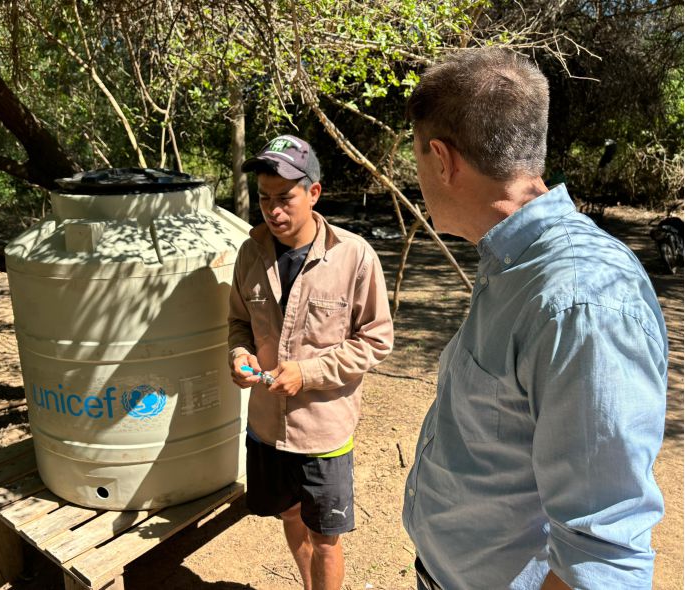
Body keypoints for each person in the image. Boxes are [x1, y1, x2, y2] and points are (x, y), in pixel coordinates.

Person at [402, 48, 667, 590]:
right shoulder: (513, 262)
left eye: (416, 161)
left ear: (443, 160)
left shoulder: (579, 303)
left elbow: (602, 561)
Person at [228, 134, 394, 590]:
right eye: (264, 199)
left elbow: (376, 340)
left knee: (325, 537)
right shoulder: (250, 253)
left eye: (285, 198)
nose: (273, 211)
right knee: (288, 514)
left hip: (322, 430)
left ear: (313, 192)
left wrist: (310, 372)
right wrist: (239, 354)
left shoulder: (354, 255)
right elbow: (238, 322)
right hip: (266, 427)